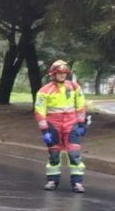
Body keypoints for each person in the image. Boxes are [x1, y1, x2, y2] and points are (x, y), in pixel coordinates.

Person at [34, 59, 89, 193]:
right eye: (59, 73)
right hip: (54, 125)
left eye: (64, 73)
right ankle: (52, 181)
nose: (62, 75)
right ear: (53, 74)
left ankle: (77, 183)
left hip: (71, 124)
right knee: (54, 154)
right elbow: (39, 111)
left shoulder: (74, 87)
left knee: (74, 153)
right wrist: (44, 130)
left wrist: (81, 123)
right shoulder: (44, 91)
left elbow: (81, 105)